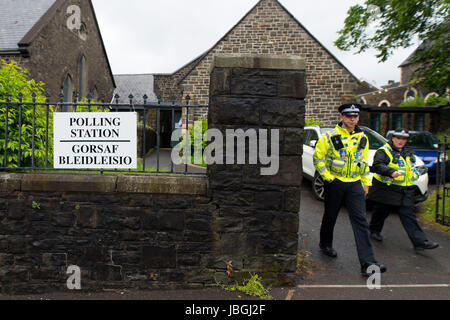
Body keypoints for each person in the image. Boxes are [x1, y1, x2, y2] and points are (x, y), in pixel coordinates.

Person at [313, 103, 386, 277]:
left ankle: (368, 263)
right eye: (348, 116)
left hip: (354, 185)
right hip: (335, 183)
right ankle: (325, 244)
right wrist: (328, 178)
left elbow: (363, 162)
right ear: (341, 117)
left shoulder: (363, 137)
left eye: (355, 116)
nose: (352, 119)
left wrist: (366, 182)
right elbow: (318, 158)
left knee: (360, 221)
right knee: (330, 216)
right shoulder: (329, 136)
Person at [368, 128, 439, 250]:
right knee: (381, 212)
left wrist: (416, 173)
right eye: (398, 138)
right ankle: (373, 231)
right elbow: (377, 166)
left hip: (405, 190)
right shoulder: (384, 151)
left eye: (404, 139)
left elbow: (412, 168)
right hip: (387, 189)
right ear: (393, 138)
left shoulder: (408, 152)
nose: (401, 141)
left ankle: (420, 242)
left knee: (408, 215)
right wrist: (390, 172)